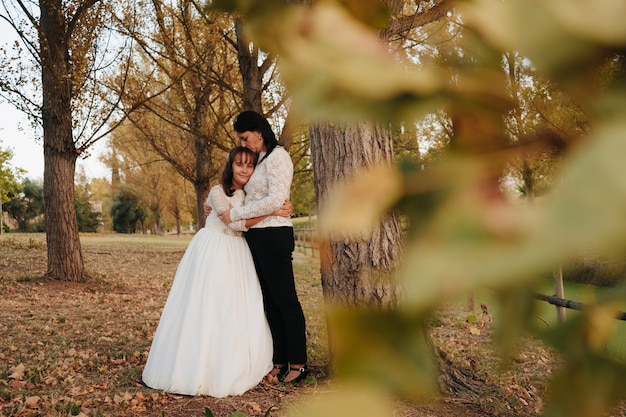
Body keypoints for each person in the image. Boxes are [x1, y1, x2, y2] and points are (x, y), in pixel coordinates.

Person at [142, 146, 291, 397]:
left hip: (239, 252)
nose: (245, 169)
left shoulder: (251, 196)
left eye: (250, 165)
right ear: (230, 166)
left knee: (237, 306)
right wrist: (273, 210)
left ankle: (233, 362)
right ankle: (198, 364)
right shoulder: (217, 191)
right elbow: (233, 221)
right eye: (239, 164)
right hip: (214, 249)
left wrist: (280, 207)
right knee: (207, 304)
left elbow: (260, 209)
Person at [217, 111, 308, 384]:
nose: (243, 144)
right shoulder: (261, 158)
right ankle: (279, 360)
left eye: (245, 138)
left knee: (285, 300)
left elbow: (275, 200)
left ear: (258, 131)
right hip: (257, 236)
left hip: (275, 235)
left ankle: (299, 363)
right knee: (270, 301)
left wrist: (237, 214)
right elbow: (255, 194)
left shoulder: (279, 156)